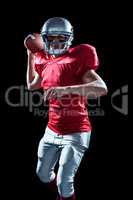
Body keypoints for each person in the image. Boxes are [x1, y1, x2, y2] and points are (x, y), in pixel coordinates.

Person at [26, 17, 108, 200]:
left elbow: (102, 88)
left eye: (60, 38)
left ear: (69, 38)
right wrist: (30, 55)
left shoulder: (75, 59)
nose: (55, 43)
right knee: (43, 174)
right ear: (45, 39)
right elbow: (31, 85)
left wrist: (66, 90)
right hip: (52, 129)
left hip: (77, 131)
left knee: (64, 183)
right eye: (51, 38)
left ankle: (63, 196)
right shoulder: (44, 61)